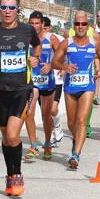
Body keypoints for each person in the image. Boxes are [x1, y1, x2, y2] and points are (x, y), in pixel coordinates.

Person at [0, 0, 42, 196]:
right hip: (1, 91)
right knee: (6, 138)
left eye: (11, 8)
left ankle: (17, 174)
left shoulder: (27, 30)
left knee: (14, 134)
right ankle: (9, 175)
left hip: (22, 90)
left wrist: (36, 58)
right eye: (3, 7)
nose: (7, 11)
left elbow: (37, 45)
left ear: (18, 11)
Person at [51, 12, 100, 169]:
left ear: (88, 26)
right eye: (77, 24)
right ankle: (77, 140)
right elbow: (54, 62)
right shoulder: (66, 43)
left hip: (88, 87)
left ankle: (76, 154)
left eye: (83, 24)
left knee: (82, 120)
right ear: (73, 26)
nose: (80, 27)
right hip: (70, 87)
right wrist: (64, 66)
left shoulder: (94, 42)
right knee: (71, 121)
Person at [24, 12, 60, 161]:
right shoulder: (24, 38)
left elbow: (62, 55)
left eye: (37, 23)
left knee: (46, 115)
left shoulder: (51, 38)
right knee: (29, 113)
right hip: (32, 82)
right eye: (31, 23)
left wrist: (52, 64)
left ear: (42, 24)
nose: (34, 26)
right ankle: (33, 145)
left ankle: (47, 143)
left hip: (48, 82)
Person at [42, 18, 65, 146]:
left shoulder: (56, 39)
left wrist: (62, 67)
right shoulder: (34, 39)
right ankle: (50, 137)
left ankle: (57, 127)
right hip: (41, 79)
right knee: (45, 112)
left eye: (46, 28)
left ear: (50, 27)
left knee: (53, 109)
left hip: (56, 79)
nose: (43, 30)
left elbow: (62, 55)